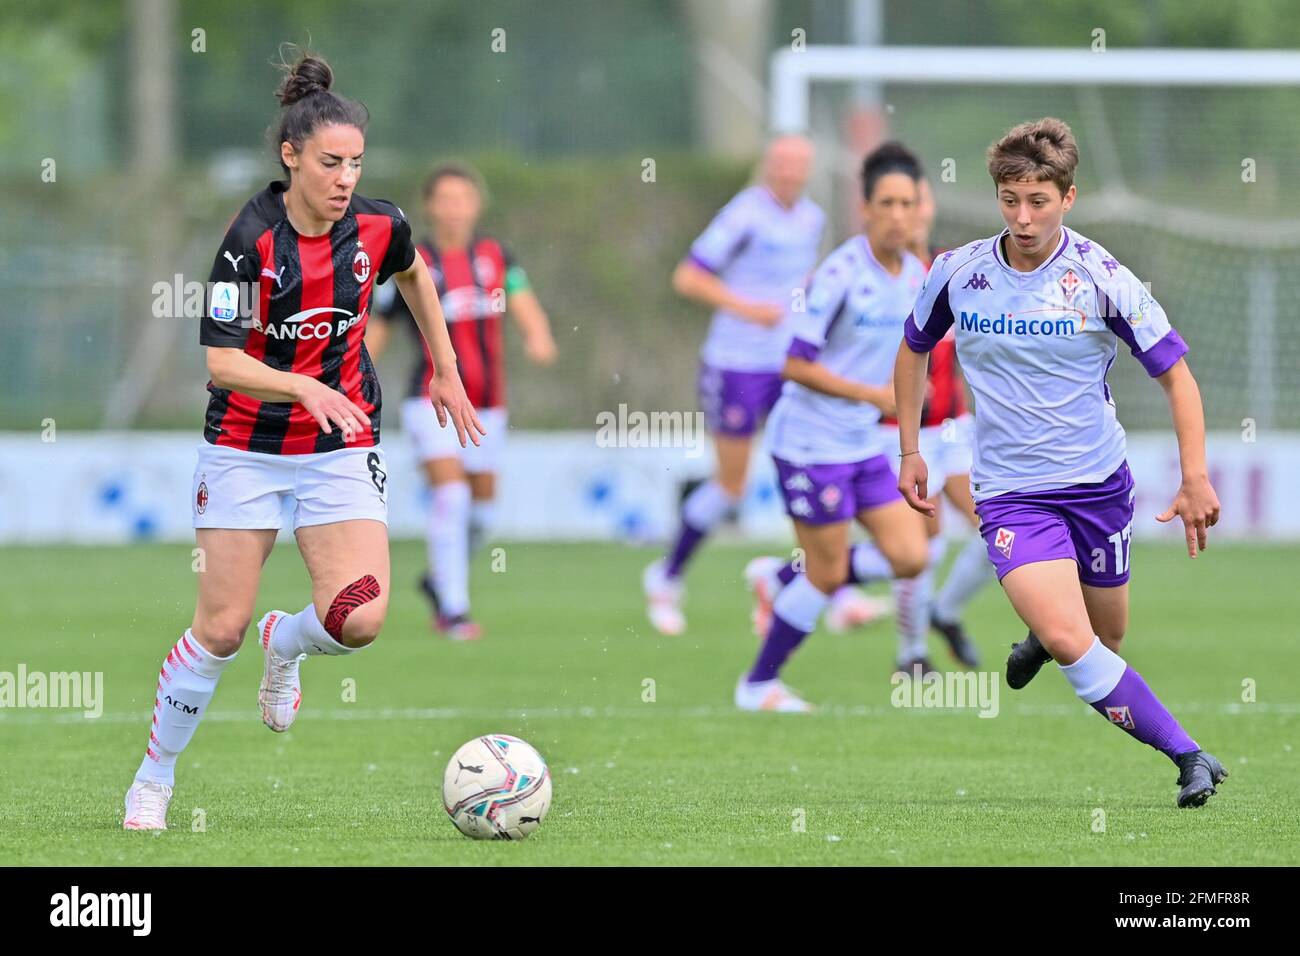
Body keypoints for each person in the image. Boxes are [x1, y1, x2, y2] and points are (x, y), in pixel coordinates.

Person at [122, 50, 483, 830]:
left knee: (360, 618)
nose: (345, 176)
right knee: (216, 630)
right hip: (246, 448)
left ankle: (284, 642)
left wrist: (446, 369)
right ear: (291, 157)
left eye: (356, 161)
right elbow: (221, 361)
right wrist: (302, 385)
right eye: (330, 162)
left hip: (340, 446)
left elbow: (415, 275)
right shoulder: (247, 241)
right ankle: (154, 777)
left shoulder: (380, 225)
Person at [895, 117, 1227, 807]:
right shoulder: (958, 273)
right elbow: (912, 349)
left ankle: (1042, 636)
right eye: (1010, 199)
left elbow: (1177, 376)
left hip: (1099, 486)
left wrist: (1194, 476)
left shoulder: (1102, 277)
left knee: (1107, 635)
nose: (1022, 216)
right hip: (1013, 494)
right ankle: (1189, 755)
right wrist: (910, 447)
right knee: (1078, 642)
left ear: (1067, 199)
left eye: (1037, 201)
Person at [736, 142, 930, 712]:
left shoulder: (918, 273)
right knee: (823, 575)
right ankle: (757, 685)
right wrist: (873, 394)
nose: (898, 215)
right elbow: (794, 364)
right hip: (809, 443)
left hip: (862, 442)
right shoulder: (840, 274)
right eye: (886, 203)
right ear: (864, 208)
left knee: (912, 556)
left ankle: (777, 578)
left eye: (907, 203)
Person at [642, 135, 831, 636]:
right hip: (736, 364)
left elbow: (800, 281)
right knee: (731, 485)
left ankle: (819, 582)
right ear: (768, 165)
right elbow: (688, 277)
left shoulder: (811, 218)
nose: (790, 173)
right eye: (782, 164)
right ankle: (666, 575)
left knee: (814, 464)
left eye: (799, 165)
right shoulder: (744, 214)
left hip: (789, 366)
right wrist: (750, 309)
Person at [368, 163, 556, 639]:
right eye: (444, 200)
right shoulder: (413, 260)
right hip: (428, 399)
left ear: (477, 205)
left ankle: (438, 581)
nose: (454, 209)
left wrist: (538, 334)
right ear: (430, 206)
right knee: (452, 495)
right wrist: (346, 372)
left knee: (483, 514)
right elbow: (380, 327)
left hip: (488, 402)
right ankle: (454, 609)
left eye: (463, 199)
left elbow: (522, 297)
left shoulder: (496, 256)